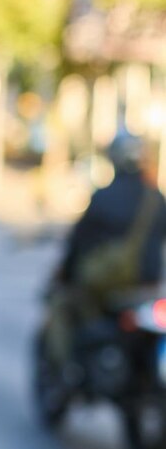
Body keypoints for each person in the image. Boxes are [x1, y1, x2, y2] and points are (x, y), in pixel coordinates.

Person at [45, 132, 166, 367]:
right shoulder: (156, 199)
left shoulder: (103, 196)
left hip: (110, 284)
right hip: (148, 285)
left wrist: (66, 272)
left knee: (65, 305)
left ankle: (69, 365)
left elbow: (78, 243)